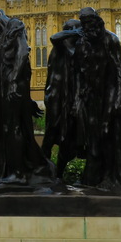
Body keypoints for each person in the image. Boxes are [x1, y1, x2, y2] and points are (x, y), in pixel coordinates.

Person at [0, 9, 56, 190]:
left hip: (13, 88)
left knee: (13, 128)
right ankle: (18, 171)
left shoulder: (15, 26)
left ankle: (19, 175)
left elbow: (23, 54)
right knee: (11, 130)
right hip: (5, 88)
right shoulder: (0, 39)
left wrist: (14, 82)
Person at [74, 7, 121, 191]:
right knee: (93, 139)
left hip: (110, 95)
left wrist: (120, 99)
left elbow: (119, 71)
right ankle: (91, 178)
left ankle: (113, 178)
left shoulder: (110, 39)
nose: (87, 28)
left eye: (89, 23)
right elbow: (79, 73)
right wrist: (78, 97)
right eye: (84, 25)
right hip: (91, 97)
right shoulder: (83, 43)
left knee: (109, 135)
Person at [41, 18, 83, 177]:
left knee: (69, 138)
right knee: (51, 132)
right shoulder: (60, 46)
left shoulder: (80, 49)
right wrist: (75, 31)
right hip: (56, 96)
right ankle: (43, 170)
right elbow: (54, 37)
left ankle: (58, 173)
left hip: (72, 97)